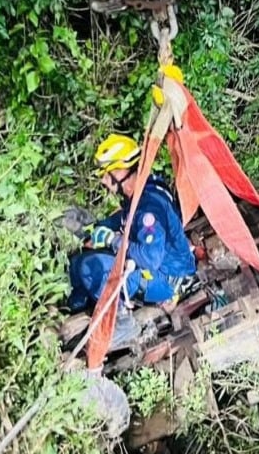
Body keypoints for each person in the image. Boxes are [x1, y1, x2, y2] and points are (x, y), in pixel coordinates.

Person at [67, 133, 197, 349]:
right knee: (77, 262)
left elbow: (150, 258)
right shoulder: (142, 189)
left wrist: (112, 240)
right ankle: (74, 307)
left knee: (92, 266)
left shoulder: (149, 208)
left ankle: (124, 324)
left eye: (106, 174)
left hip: (165, 278)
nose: (103, 181)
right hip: (159, 264)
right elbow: (126, 218)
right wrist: (99, 228)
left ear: (121, 171)